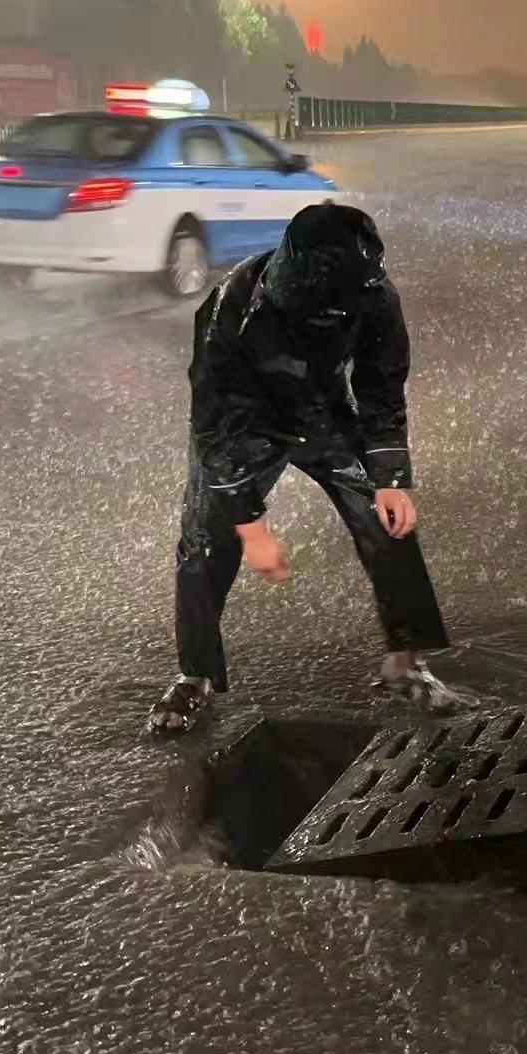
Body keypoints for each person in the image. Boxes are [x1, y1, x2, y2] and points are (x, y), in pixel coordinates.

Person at [153, 204, 447, 733]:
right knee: (203, 539)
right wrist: (251, 526)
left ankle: (406, 661)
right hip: (247, 425)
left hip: (326, 413)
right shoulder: (231, 312)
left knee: (391, 522)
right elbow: (217, 432)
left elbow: (382, 387)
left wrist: (390, 480)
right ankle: (193, 674)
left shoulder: (373, 293)